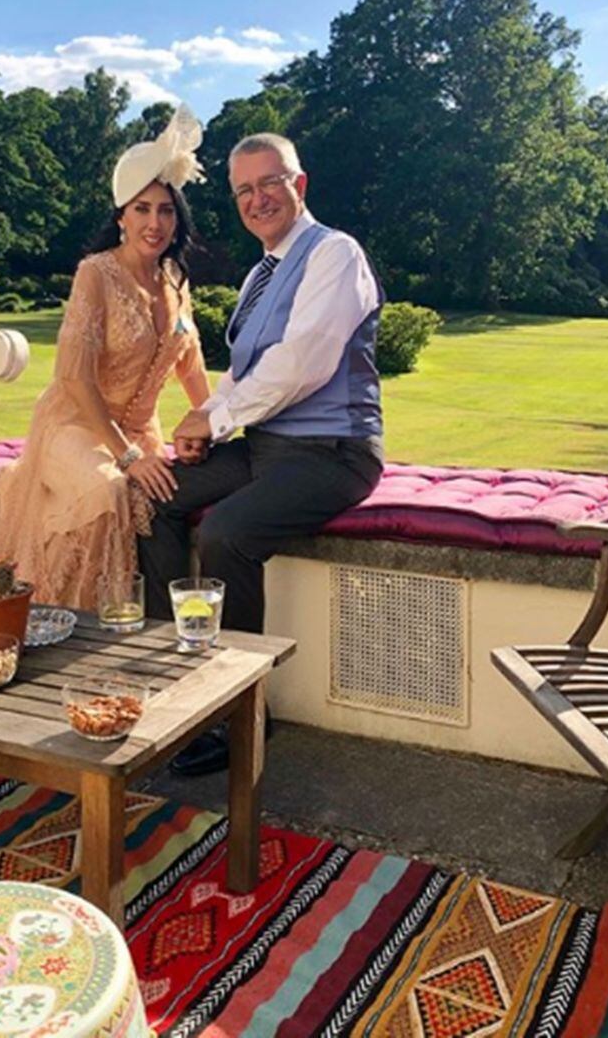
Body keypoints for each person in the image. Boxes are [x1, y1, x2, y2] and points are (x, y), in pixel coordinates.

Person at [138, 132, 385, 774]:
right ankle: (183, 673)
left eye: (268, 183)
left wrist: (214, 417)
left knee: (227, 533)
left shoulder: (335, 254)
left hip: (333, 452)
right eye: (243, 189)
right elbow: (247, 372)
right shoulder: (259, 273)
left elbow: (301, 362)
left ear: (298, 185)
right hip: (267, 447)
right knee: (151, 496)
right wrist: (204, 433)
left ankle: (242, 711)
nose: (257, 199)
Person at [0, 106, 211, 609]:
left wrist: (210, 423)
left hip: (140, 431)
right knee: (107, 491)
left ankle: (137, 624)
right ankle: (74, 621)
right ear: (121, 218)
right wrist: (128, 457)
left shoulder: (176, 280)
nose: (156, 222)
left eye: (167, 210)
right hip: (74, 427)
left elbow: (190, 365)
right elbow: (75, 381)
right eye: (142, 209)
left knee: (160, 493)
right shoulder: (96, 273)